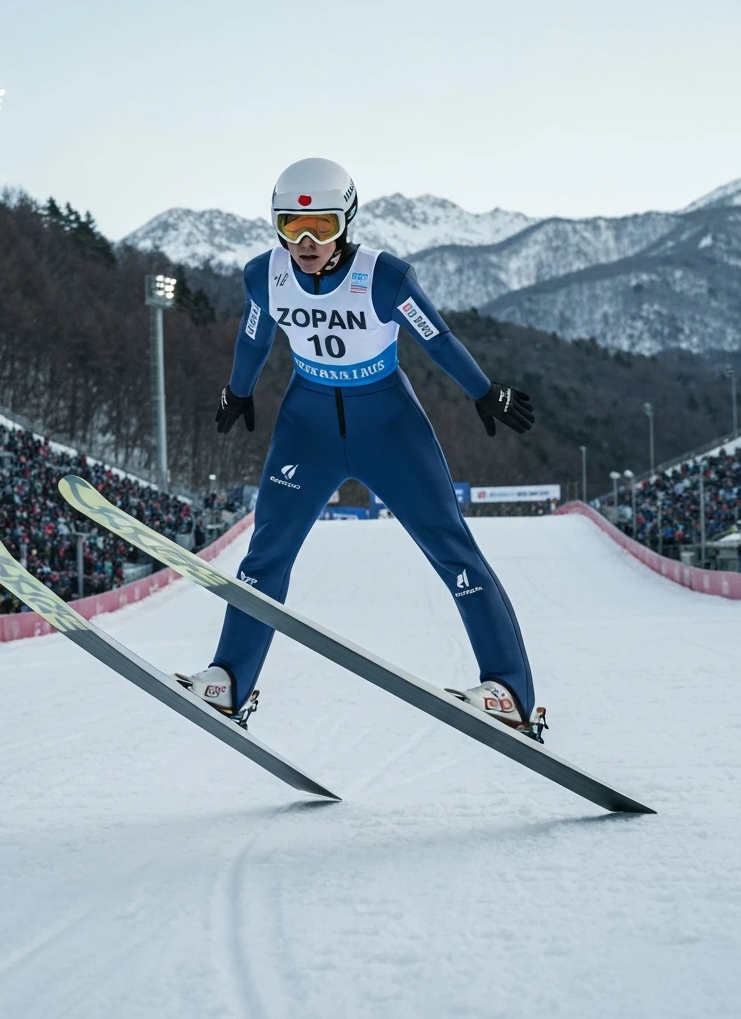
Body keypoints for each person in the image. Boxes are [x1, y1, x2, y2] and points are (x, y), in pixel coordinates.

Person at [182, 158, 544, 737]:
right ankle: (228, 679)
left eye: (321, 227)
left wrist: (485, 392)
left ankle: (509, 690)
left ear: (346, 221)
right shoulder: (264, 275)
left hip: (388, 426)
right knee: (265, 554)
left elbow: (437, 338)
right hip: (307, 427)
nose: (305, 242)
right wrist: (238, 391)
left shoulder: (383, 277)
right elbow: (254, 338)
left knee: (453, 549)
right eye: (291, 226)